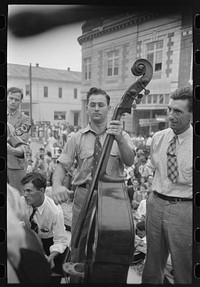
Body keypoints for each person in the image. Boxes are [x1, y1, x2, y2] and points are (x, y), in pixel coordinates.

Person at [51, 87, 135, 282]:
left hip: (113, 200)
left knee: (110, 246)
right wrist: (56, 185)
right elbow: (61, 166)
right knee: (79, 245)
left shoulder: (122, 135)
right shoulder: (76, 138)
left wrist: (120, 138)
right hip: (84, 196)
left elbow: (130, 161)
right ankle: (77, 281)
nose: (97, 108)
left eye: (101, 105)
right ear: (87, 108)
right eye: (92, 105)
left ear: (109, 108)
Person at [142, 86, 193, 284]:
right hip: (155, 205)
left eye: (178, 111)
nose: (171, 115)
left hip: (184, 210)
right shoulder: (158, 138)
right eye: (169, 109)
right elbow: (152, 168)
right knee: (152, 264)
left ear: (192, 114)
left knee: (183, 267)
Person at [20, 172, 69, 283]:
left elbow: (61, 240)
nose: (25, 195)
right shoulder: (22, 201)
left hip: (50, 243)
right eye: (24, 191)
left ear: (42, 191)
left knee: (55, 271)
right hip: (31, 239)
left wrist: (50, 257)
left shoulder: (55, 211)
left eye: (29, 191)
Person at [7, 122, 30, 194]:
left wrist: (12, 150)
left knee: (16, 196)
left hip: (12, 171)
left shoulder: (7, 127)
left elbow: (23, 149)